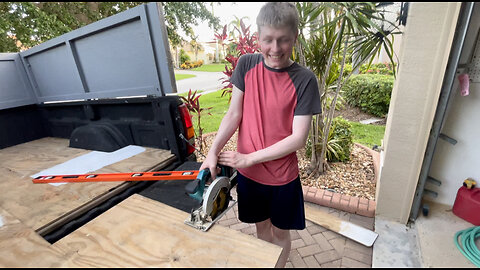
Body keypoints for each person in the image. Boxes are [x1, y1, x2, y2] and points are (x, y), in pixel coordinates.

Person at [199, 2, 322, 267]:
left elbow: (298, 138)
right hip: (250, 177)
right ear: (258, 38)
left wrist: (248, 158)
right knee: (261, 229)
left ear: (294, 38)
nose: (275, 49)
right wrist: (212, 152)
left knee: (279, 232)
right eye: (268, 40)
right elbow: (233, 115)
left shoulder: (304, 80)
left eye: (283, 40)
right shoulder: (246, 65)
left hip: (281, 178)